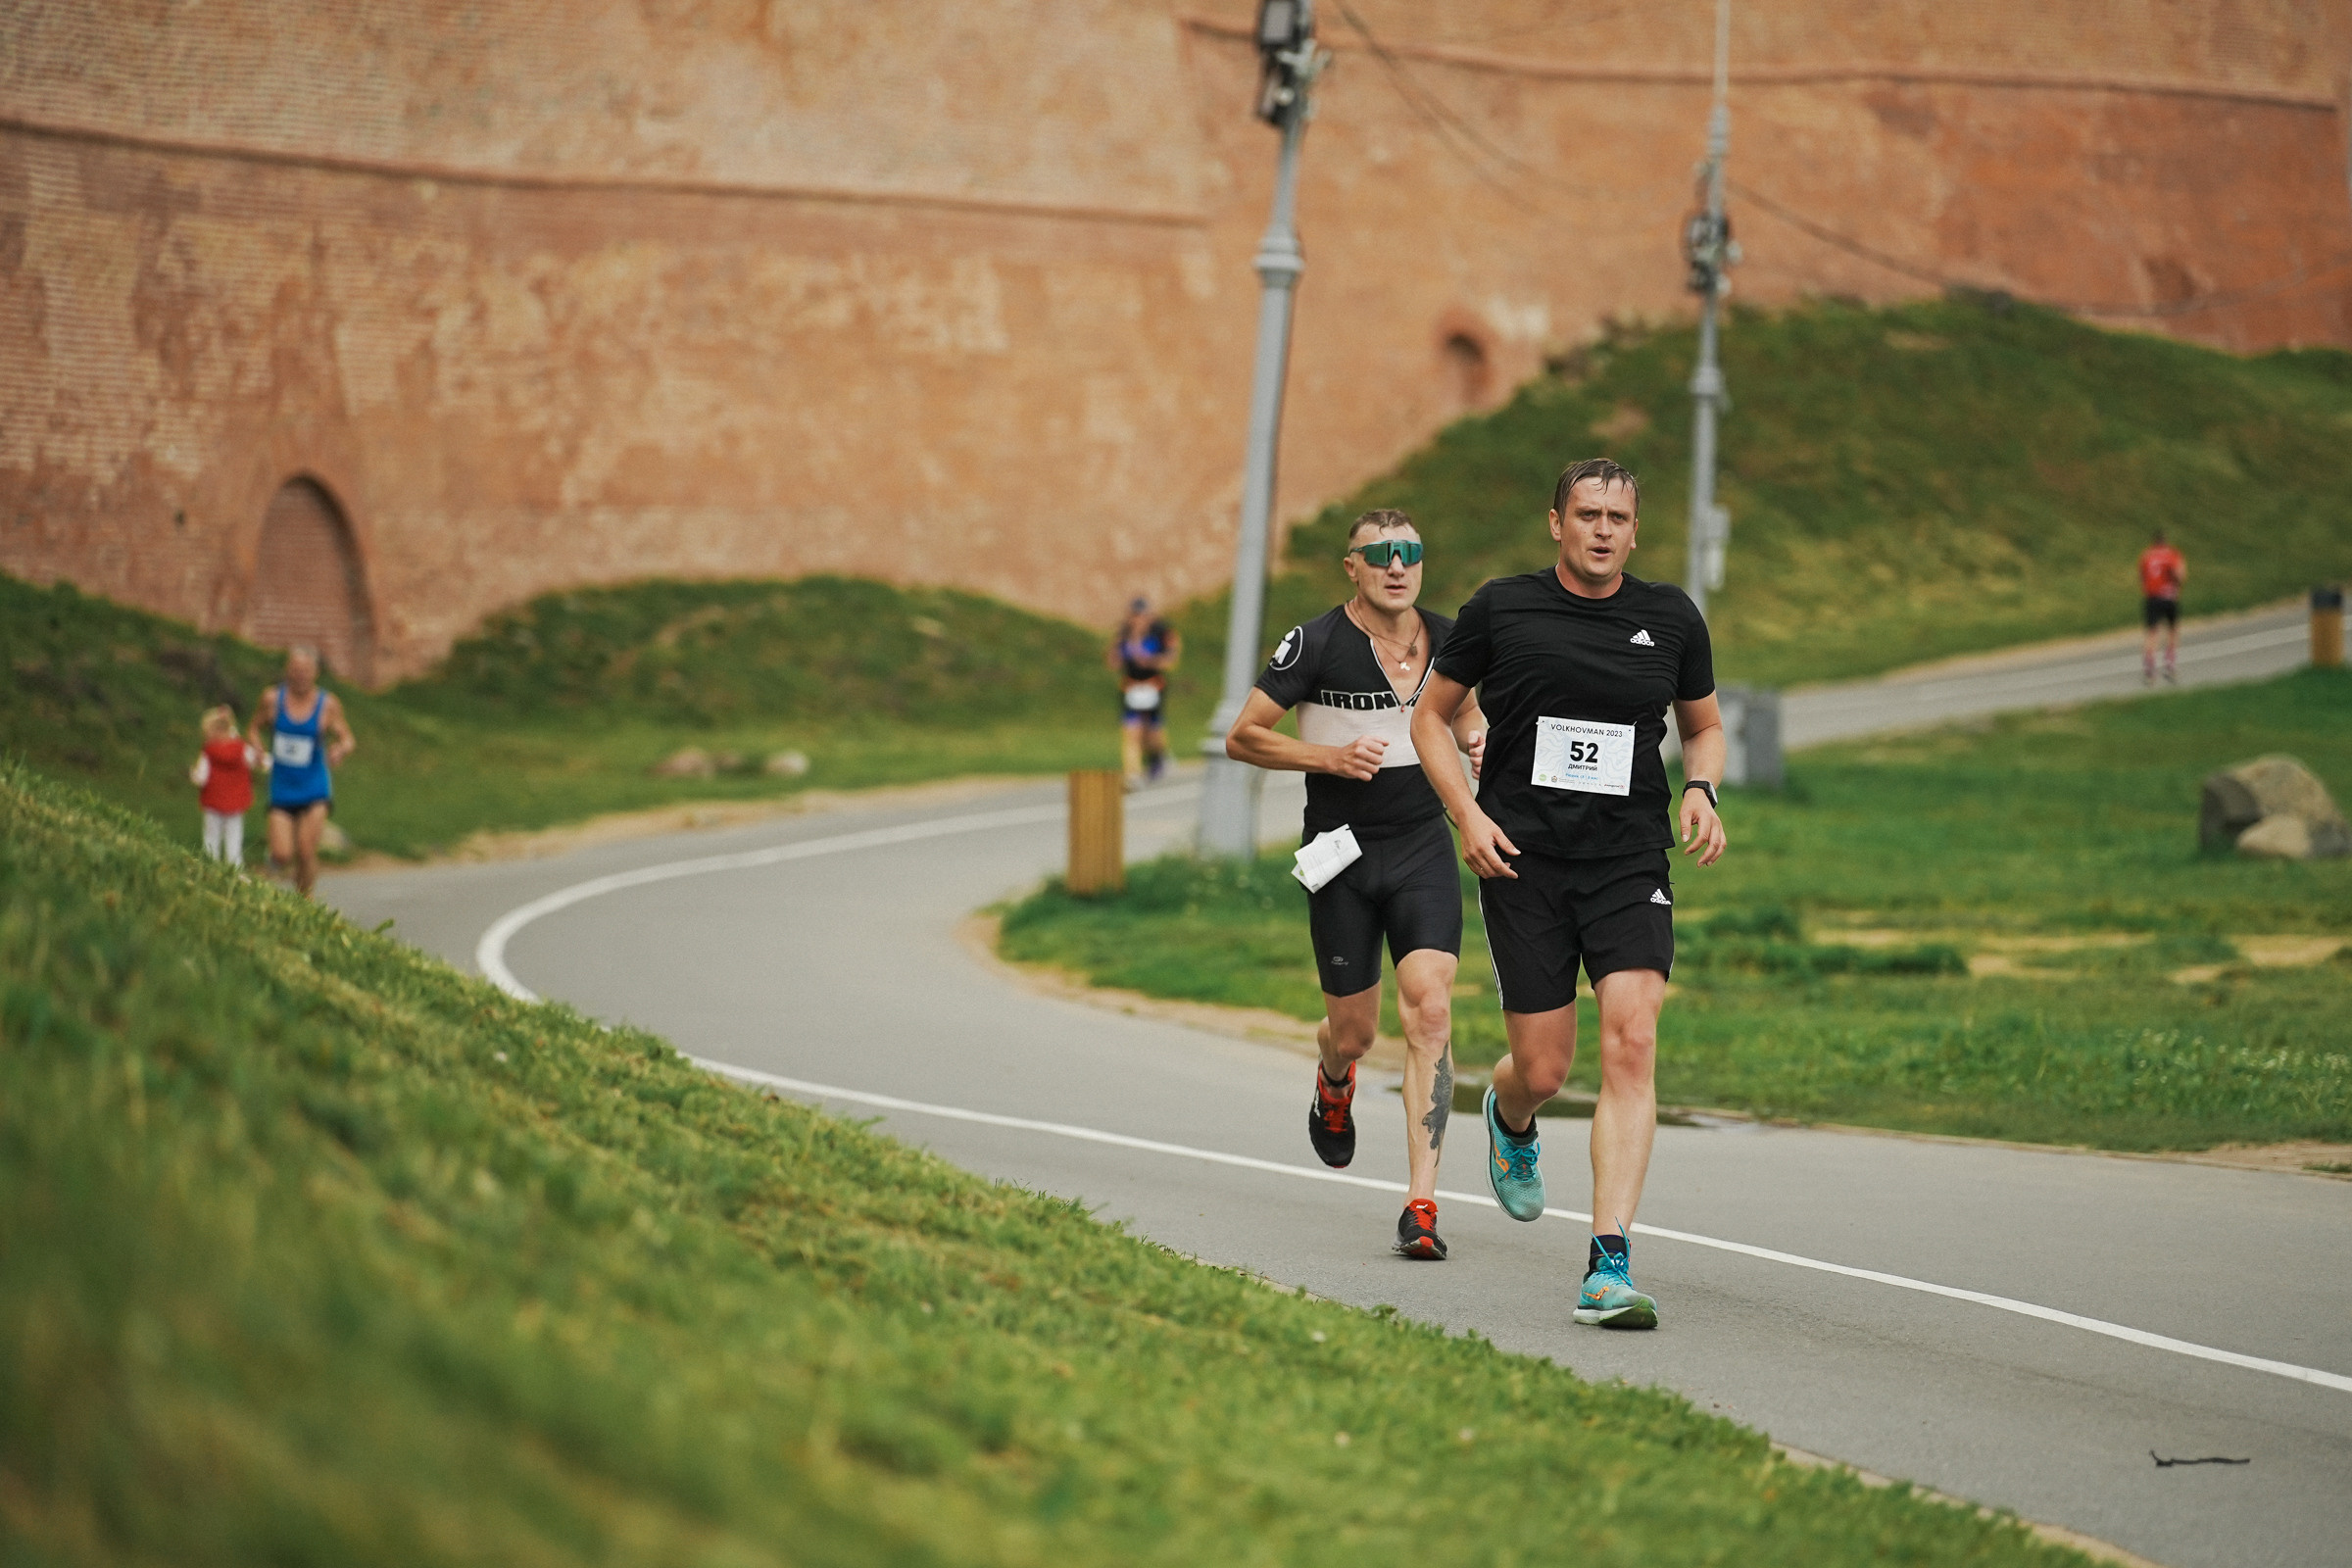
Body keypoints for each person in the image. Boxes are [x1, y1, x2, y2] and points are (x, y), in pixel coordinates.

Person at [1410, 458, 1726, 1328]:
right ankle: (1511, 1114)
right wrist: (1467, 818)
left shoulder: (1670, 618)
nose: (1600, 530)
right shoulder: (1501, 608)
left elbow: (1702, 725)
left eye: (1616, 518)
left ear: (1635, 530)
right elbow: (1429, 718)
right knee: (1546, 1068)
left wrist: (1702, 788)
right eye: (1585, 514)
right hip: (1523, 860)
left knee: (1632, 1043)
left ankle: (1607, 1266)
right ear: (1556, 522)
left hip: (1628, 861)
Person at [1227, 510, 1489, 1260]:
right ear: (1353, 566)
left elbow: (1467, 711)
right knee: (1357, 1031)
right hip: (1338, 854)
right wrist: (1329, 760)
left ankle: (1423, 1204)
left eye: (1410, 552)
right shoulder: (1314, 643)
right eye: (1380, 555)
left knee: (1431, 1011)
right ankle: (1334, 1077)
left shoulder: (1447, 639)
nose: (1396, 566)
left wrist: (1475, 737)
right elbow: (1243, 735)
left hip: (1420, 847)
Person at [247, 646, 355, 897]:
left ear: (315, 672)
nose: (300, 675)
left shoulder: (327, 704)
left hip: (315, 785)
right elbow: (253, 728)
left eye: (306, 670)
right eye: (295, 670)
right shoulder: (272, 700)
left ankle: (304, 903)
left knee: (306, 851)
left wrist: (340, 749)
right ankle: (272, 871)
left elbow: (347, 737)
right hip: (282, 786)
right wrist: (257, 747)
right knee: (281, 854)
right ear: (287, 671)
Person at [1108, 598, 1181, 788]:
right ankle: (1133, 773)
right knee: (1132, 732)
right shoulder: (1123, 634)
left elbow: (1170, 659)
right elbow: (1113, 661)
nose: (1139, 620)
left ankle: (1158, 756)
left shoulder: (1159, 633)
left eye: (1142, 616)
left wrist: (1150, 661)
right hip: (1131, 687)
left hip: (1153, 686)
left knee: (1152, 733)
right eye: (1135, 616)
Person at [189, 704, 261, 865]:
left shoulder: (208, 752)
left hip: (214, 801)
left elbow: (201, 777)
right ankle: (235, 867)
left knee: (211, 836)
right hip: (236, 801)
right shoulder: (241, 748)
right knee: (234, 837)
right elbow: (254, 761)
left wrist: (192, 774)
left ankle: (210, 865)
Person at [2139, 529, 2186, 684]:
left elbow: (2142, 576)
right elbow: (2179, 574)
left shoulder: (2146, 556)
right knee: (2172, 629)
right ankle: (2170, 663)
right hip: (2169, 597)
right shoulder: (2172, 554)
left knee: (2152, 632)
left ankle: (2150, 667)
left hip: (2152, 597)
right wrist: (2177, 587)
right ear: (2165, 541)